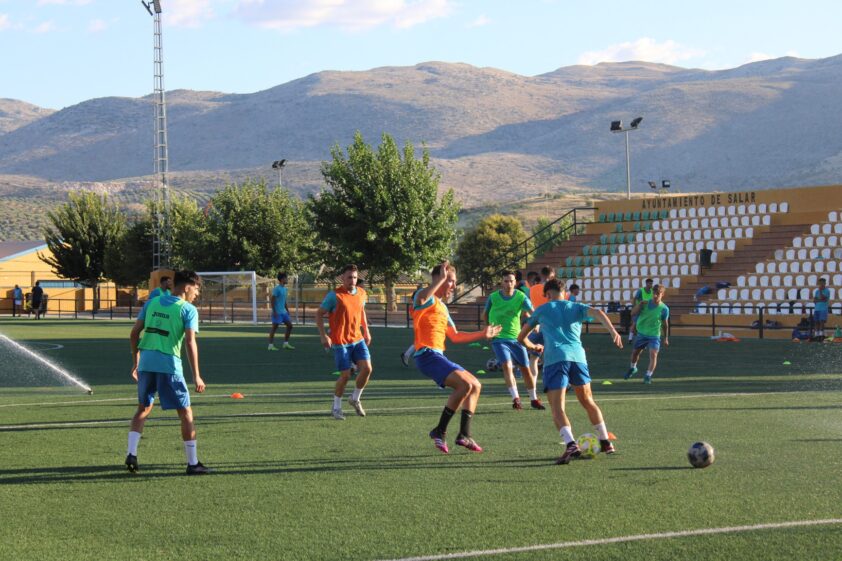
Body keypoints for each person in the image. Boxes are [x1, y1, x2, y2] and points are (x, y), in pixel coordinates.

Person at [518, 279, 622, 464]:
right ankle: (606, 442)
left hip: (555, 359)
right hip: (578, 358)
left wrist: (534, 346)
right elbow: (598, 312)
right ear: (564, 292)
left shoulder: (542, 310)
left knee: (558, 408)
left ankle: (570, 444)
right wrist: (613, 331)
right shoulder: (575, 306)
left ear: (547, 294)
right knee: (588, 401)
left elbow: (521, 337)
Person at [126, 270, 209, 475]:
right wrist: (196, 375)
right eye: (197, 289)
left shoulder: (151, 303)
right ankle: (192, 463)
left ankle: (131, 453)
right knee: (186, 413)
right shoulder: (187, 309)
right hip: (168, 365)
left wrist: (136, 361)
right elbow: (190, 342)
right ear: (187, 287)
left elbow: (134, 333)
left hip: (146, 363)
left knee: (143, 409)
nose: (197, 294)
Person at [414, 260, 501, 454]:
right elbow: (421, 300)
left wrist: (483, 334)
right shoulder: (424, 297)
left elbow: (455, 335)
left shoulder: (443, 308)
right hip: (426, 355)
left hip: (437, 354)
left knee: (476, 385)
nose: (453, 286)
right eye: (450, 281)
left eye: (453, 281)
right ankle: (440, 430)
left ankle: (464, 434)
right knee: (464, 385)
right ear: (438, 278)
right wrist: (441, 280)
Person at [316, 264, 373, 420]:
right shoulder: (334, 296)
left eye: (355, 277)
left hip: (358, 339)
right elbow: (319, 314)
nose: (352, 280)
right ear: (342, 278)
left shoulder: (361, 293)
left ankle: (355, 398)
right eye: (349, 277)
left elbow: (361, 311)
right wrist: (323, 336)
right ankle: (336, 406)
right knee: (346, 375)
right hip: (341, 342)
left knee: (367, 369)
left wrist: (366, 330)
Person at [482, 270, 544, 410]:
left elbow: (533, 312)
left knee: (525, 369)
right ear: (501, 283)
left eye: (511, 281)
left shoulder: (521, 297)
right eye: (506, 281)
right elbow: (485, 314)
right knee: (507, 366)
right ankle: (515, 398)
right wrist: (488, 329)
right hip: (499, 339)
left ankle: (534, 399)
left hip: (517, 339)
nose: (509, 284)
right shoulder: (493, 297)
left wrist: (537, 323)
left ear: (515, 282)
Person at [624, 284, 669, 384]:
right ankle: (633, 368)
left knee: (653, 354)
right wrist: (639, 304)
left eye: (658, 294)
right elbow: (632, 313)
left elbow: (665, 324)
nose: (655, 295)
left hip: (654, 336)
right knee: (635, 353)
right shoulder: (644, 304)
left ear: (663, 294)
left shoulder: (664, 309)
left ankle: (648, 375)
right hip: (642, 334)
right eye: (654, 293)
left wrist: (666, 338)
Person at [268, 272, 295, 350]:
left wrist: (287, 310)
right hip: (277, 312)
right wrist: (274, 311)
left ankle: (285, 344)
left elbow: (284, 301)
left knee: (290, 326)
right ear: (282, 279)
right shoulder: (277, 289)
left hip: (284, 312)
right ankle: (270, 346)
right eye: (286, 278)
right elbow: (272, 300)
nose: (287, 280)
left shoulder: (285, 289)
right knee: (274, 328)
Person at [400, 284, 424, 367]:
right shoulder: (417, 305)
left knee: (421, 342)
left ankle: (407, 354)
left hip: (419, 324)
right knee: (421, 342)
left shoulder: (414, 305)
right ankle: (408, 355)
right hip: (421, 325)